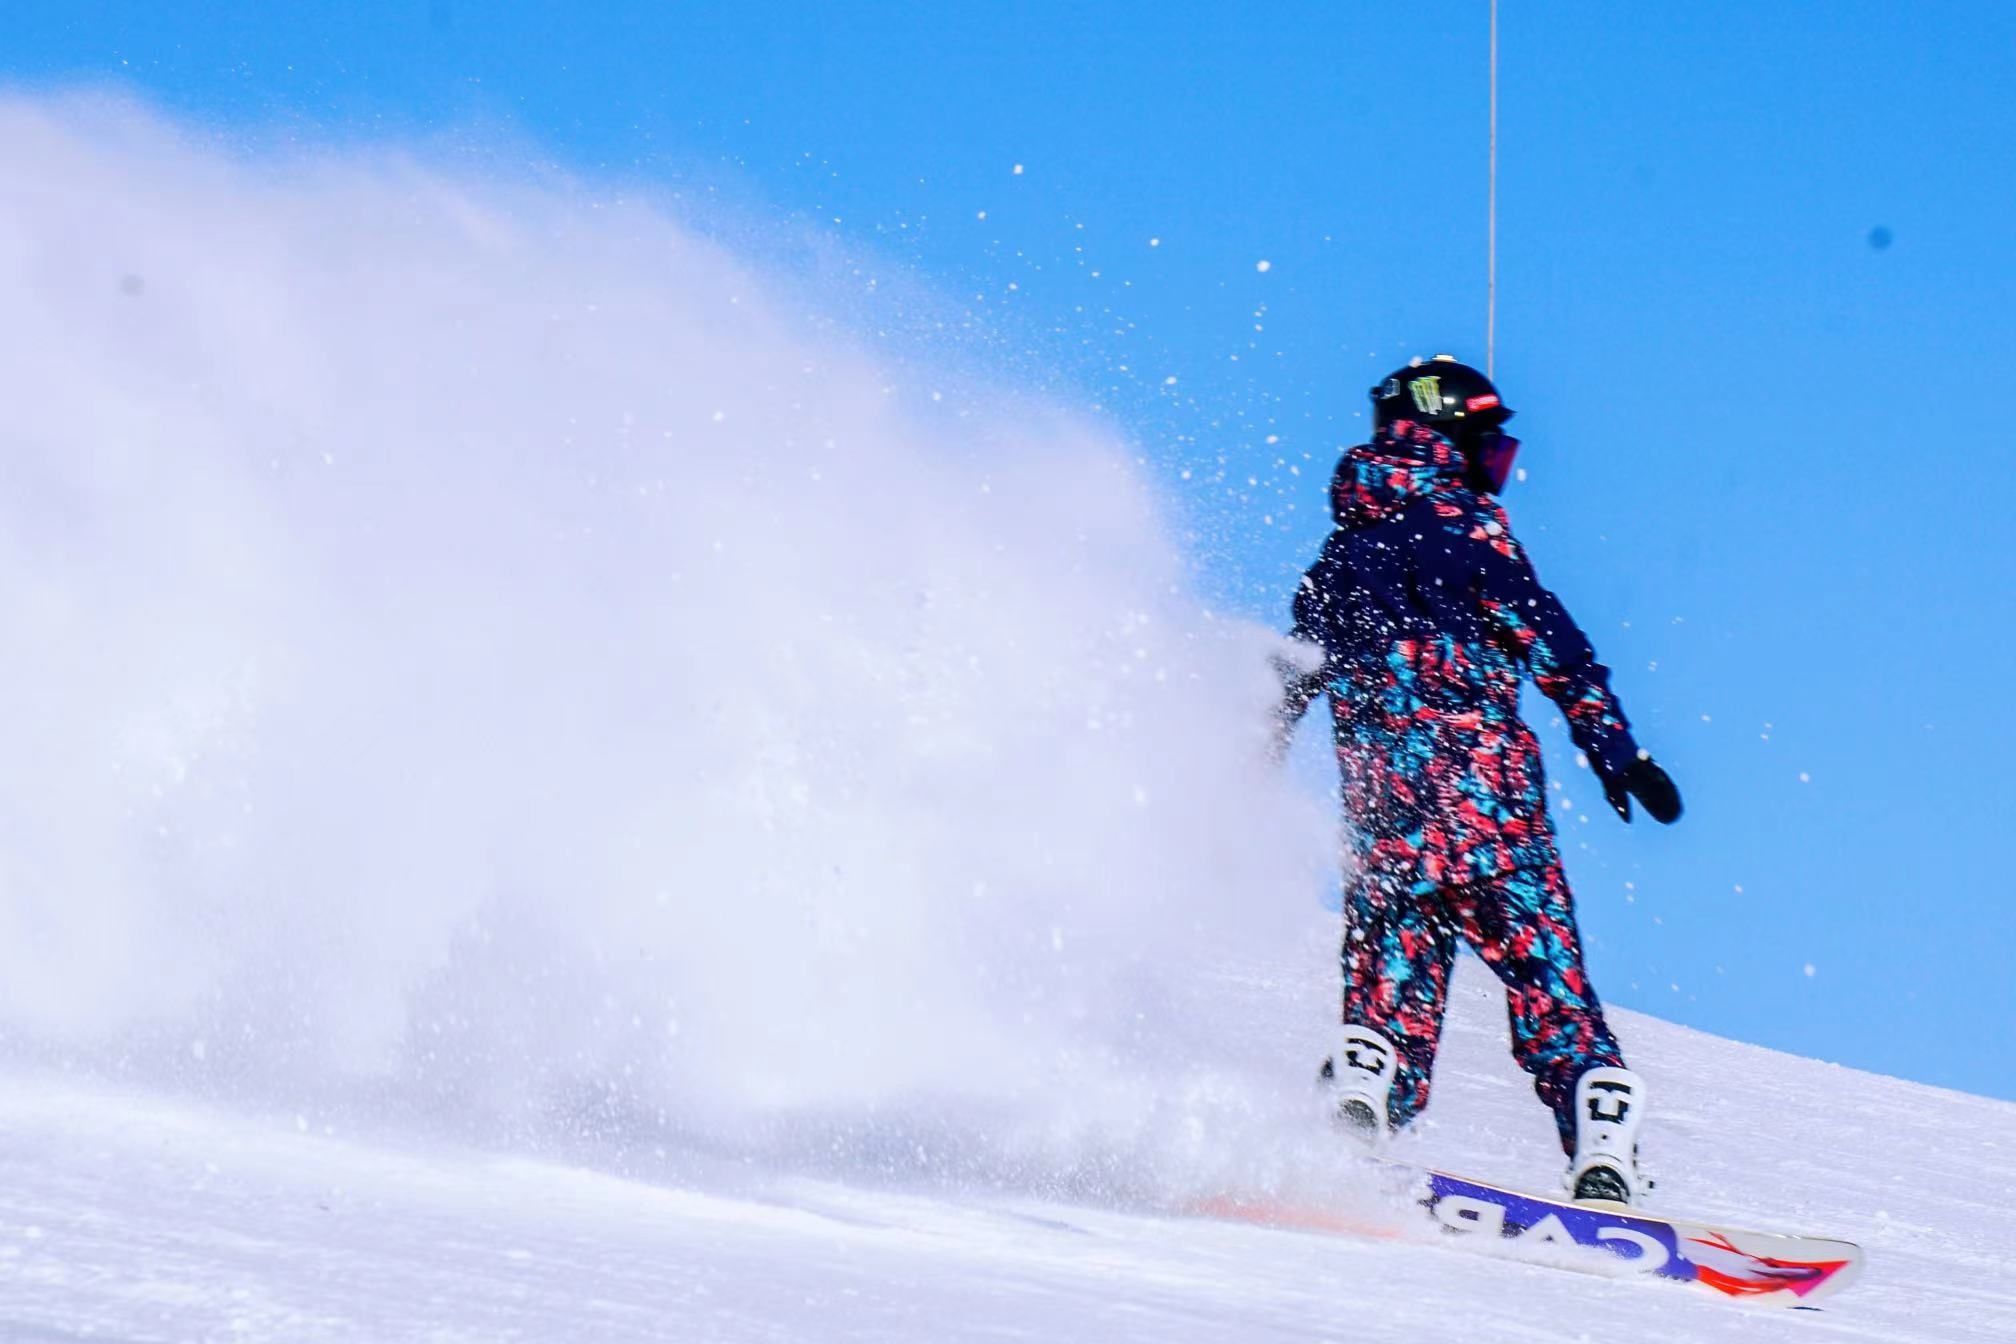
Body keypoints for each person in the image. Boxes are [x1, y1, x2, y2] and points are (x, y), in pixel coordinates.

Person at [1273, 355, 1682, 1204]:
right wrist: (1620, 754)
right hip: (1497, 822)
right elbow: (1560, 654)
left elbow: (1288, 676)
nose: (1498, 470)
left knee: (1391, 982)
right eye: (1488, 449)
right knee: (1549, 987)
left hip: (1387, 818)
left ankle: (1365, 1088)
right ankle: (1598, 1136)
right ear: (1451, 439)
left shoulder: (1340, 558)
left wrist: (1244, 760)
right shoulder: (1477, 541)